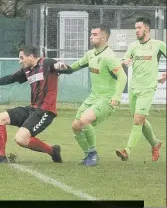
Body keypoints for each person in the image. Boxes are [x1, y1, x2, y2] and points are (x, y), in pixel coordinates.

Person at [53, 26, 127, 166]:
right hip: (94, 97)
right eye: (91, 34)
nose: (91, 37)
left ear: (104, 37)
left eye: (94, 34)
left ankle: (92, 154)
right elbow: (75, 67)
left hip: (107, 99)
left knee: (84, 120)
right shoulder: (90, 54)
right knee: (76, 126)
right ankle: (88, 155)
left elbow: (122, 77)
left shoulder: (109, 57)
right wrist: (62, 69)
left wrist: (117, 97)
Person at [0, 45, 63, 163]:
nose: (19, 61)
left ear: (31, 56)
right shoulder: (28, 70)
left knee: (21, 139)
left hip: (45, 111)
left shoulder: (47, 63)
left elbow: (66, 68)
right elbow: (10, 78)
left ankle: (53, 151)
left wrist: (62, 67)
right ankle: (1, 157)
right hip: (31, 109)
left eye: (21, 58)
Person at [116, 17, 166, 162]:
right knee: (140, 120)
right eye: (135, 28)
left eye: (139, 28)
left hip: (148, 88)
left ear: (147, 29)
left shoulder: (158, 45)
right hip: (133, 88)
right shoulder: (133, 46)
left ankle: (127, 151)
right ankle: (155, 144)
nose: (136, 30)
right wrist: (124, 61)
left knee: (138, 120)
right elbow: (124, 60)